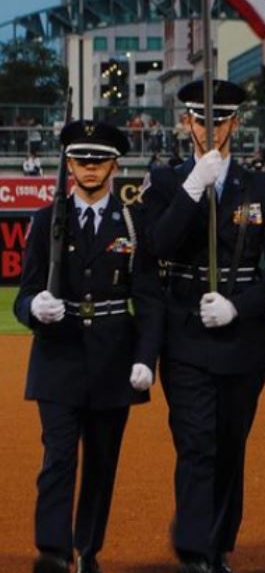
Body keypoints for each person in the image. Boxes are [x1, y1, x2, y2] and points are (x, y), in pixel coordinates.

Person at [141, 78, 265, 573]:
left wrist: (239, 307)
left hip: (242, 336)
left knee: (229, 446)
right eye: (201, 119)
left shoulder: (263, 187)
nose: (210, 128)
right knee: (196, 442)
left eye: (220, 120)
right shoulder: (164, 182)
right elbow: (157, 246)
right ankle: (195, 552)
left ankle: (220, 545)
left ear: (235, 123)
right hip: (184, 332)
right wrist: (192, 188)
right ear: (187, 123)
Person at [14, 120, 165, 573]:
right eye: (81, 160)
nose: (90, 168)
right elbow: (25, 292)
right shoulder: (46, 220)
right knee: (58, 457)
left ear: (115, 164)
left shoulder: (134, 222)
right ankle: (53, 552)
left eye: (99, 160)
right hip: (58, 356)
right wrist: (33, 307)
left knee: (101, 464)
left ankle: (87, 550)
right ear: (69, 163)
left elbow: (150, 298)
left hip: (112, 357)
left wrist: (145, 358)